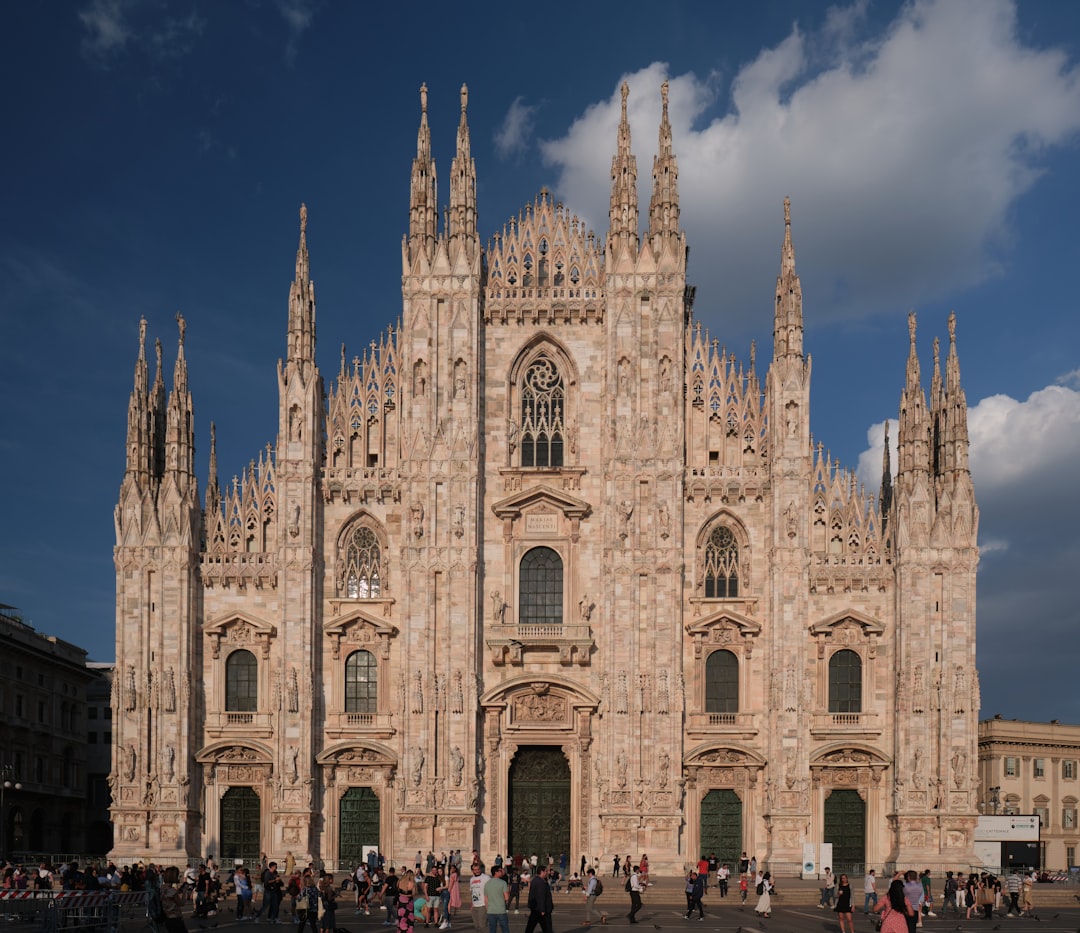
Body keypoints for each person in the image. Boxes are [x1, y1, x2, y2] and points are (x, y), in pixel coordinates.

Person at [160, 866, 190, 933]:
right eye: (177, 875)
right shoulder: (172, 891)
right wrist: (185, 891)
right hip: (176, 919)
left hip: (167, 918)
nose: (178, 877)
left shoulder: (162, 888)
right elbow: (181, 903)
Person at [524, 866, 553, 933]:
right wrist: (542, 909)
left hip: (536, 908)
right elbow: (541, 896)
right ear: (542, 872)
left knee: (531, 926)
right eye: (546, 871)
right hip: (541, 909)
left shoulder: (536, 880)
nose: (547, 873)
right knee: (547, 927)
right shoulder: (540, 882)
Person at [485, 865, 510, 933]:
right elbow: (506, 897)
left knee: (492, 930)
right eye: (500, 871)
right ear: (496, 872)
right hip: (501, 910)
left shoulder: (487, 883)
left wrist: (488, 909)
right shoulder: (503, 883)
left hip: (490, 911)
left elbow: (486, 899)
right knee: (505, 929)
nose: (502, 872)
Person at [469, 864, 490, 933]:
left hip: (483, 905)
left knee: (482, 925)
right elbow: (472, 892)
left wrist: (488, 904)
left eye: (478, 869)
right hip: (474, 905)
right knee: (476, 926)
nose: (477, 871)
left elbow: (490, 890)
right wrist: (472, 904)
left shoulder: (486, 878)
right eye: (475, 870)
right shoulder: (472, 879)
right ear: (472, 871)